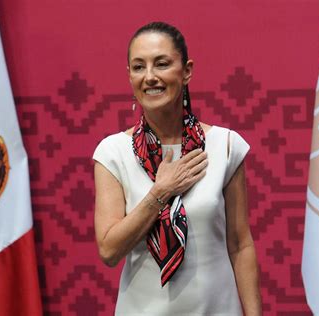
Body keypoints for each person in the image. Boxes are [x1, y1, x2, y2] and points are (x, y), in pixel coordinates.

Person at [93, 21, 261, 315]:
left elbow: (240, 245)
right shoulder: (112, 153)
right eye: (138, 67)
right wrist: (161, 191)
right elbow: (109, 250)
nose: (150, 77)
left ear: (187, 71)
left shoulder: (226, 145)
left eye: (161, 64)